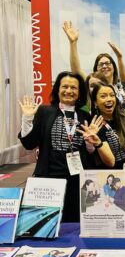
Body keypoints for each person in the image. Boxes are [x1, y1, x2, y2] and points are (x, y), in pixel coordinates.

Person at [18, 71, 91, 222]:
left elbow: (90, 152)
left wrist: (91, 143)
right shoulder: (45, 111)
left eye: (74, 88)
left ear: (79, 92)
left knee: (74, 223)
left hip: (78, 181)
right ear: (57, 89)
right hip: (49, 179)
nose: (69, 91)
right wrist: (27, 118)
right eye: (64, 86)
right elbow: (29, 144)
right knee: (47, 223)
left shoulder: (85, 116)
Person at [79, 83, 125, 214]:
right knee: (122, 220)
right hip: (116, 182)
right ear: (95, 101)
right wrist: (98, 143)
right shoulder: (95, 125)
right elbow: (110, 162)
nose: (109, 99)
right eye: (103, 96)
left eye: (112, 95)